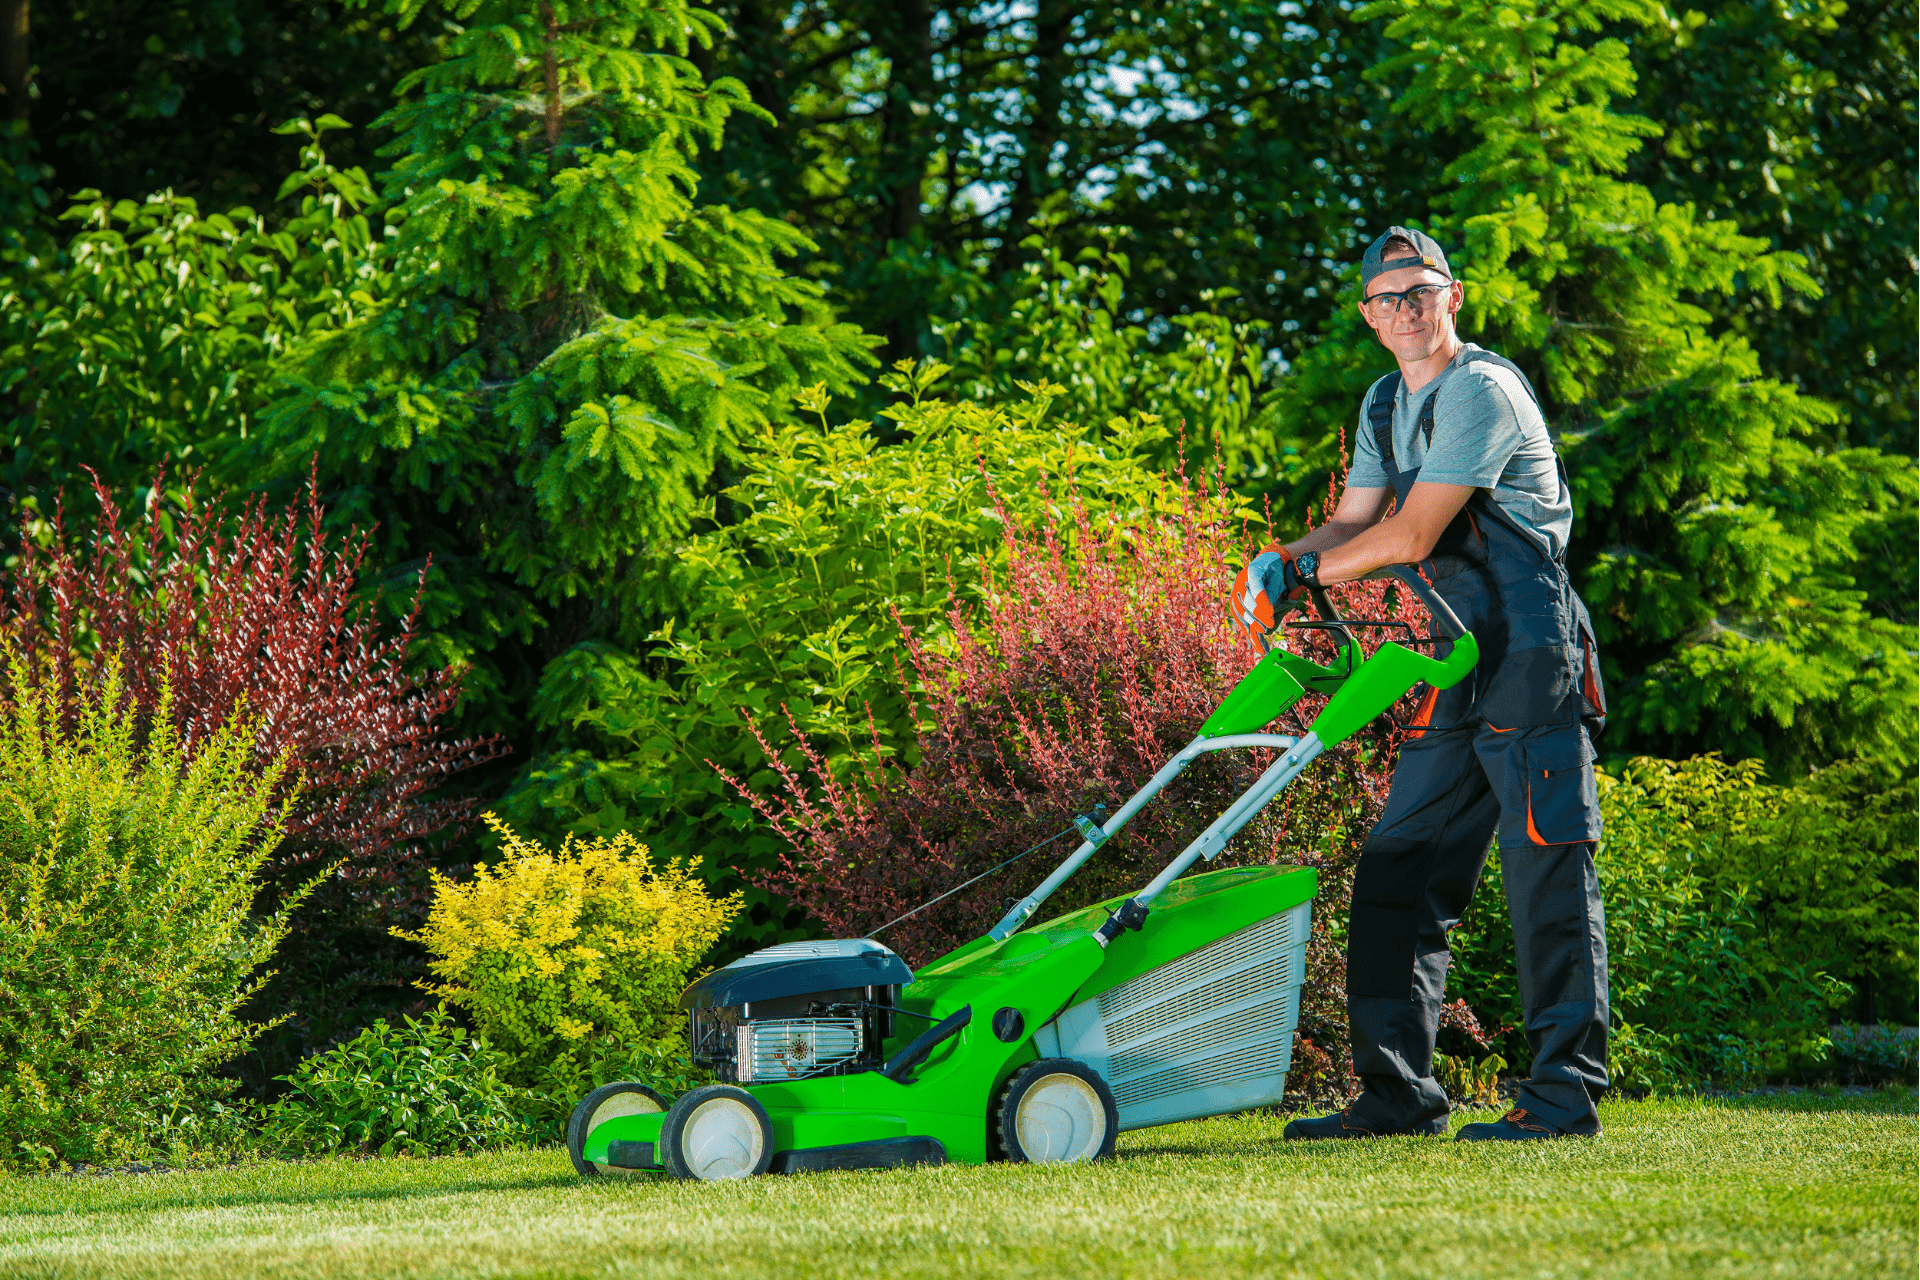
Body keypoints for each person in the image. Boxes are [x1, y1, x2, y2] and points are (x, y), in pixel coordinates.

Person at [1236, 227, 1610, 1142]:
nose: (1404, 308)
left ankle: (1562, 1099)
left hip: (1531, 655)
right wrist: (1279, 560)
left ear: (1454, 298)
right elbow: (1353, 521)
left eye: (1420, 290)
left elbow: (1407, 538)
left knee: (1544, 868)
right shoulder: (1381, 404)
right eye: (1386, 297)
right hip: (1456, 657)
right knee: (1401, 862)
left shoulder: (1481, 388)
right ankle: (1397, 1092)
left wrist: (1313, 579)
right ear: (1368, 317)